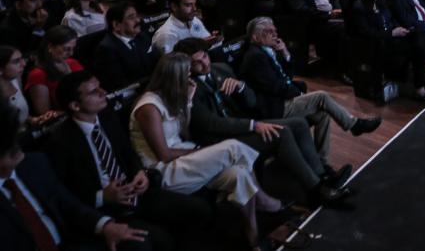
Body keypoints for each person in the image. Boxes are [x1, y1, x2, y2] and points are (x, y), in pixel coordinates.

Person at [129, 53, 282, 251]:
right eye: (186, 73)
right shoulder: (149, 107)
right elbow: (164, 154)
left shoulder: (171, 97)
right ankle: (262, 199)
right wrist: (200, 151)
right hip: (164, 171)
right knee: (233, 147)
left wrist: (188, 101)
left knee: (239, 174)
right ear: (174, 76)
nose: (190, 77)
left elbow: (184, 133)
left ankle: (252, 236)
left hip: (183, 158)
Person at [173, 38, 353, 206]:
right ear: (186, 66)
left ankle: (322, 176)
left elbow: (252, 102)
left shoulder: (221, 69)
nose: (205, 63)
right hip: (221, 140)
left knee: (299, 124)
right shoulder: (187, 88)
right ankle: (316, 191)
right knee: (280, 133)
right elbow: (210, 124)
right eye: (197, 62)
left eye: (205, 56)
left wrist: (241, 87)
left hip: (244, 125)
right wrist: (253, 125)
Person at [51, 71, 214, 251]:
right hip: (106, 209)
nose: (103, 92)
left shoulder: (106, 115)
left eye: (100, 87)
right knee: (154, 242)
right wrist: (103, 196)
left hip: (137, 192)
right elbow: (64, 194)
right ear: (75, 105)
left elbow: (127, 151)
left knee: (199, 208)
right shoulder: (61, 142)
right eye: (93, 92)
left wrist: (139, 172)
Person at [0, 99, 150, 251]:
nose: (18, 150)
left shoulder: (33, 164)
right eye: (9, 148)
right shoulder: (61, 142)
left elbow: (68, 205)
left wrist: (106, 226)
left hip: (73, 242)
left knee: (139, 242)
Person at [240, 17, 381, 162]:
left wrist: (285, 53)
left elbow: (288, 76)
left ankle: (322, 161)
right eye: (268, 31)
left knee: (322, 114)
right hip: (275, 106)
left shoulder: (268, 50)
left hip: (283, 98)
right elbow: (275, 87)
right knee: (321, 96)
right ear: (255, 37)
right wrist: (298, 94)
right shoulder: (255, 57)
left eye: (274, 29)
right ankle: (354, 124)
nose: (274, 33)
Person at [93, 2, 160, 92]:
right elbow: (119, 84)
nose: (138, 20)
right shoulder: (106, 49)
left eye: (137, 16)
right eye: (131, 18)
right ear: (116, 25)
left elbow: (156, 62)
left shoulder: (142, 37)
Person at [25, 25, 83, 117]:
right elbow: (45, 113)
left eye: (73, 48)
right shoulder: (38, 75)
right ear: (50, 47)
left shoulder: (73, 63)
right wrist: (80, 111)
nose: (71, 53)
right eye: (66, 49)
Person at [152, 0, 217, 54]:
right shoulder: (166, 34)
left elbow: (206, 39)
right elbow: (173, 60)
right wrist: (200, 44)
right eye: (188, 5)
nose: (194, 9)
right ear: (174, 7)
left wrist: (213, 40)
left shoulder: (194, 20)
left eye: (194, 4)